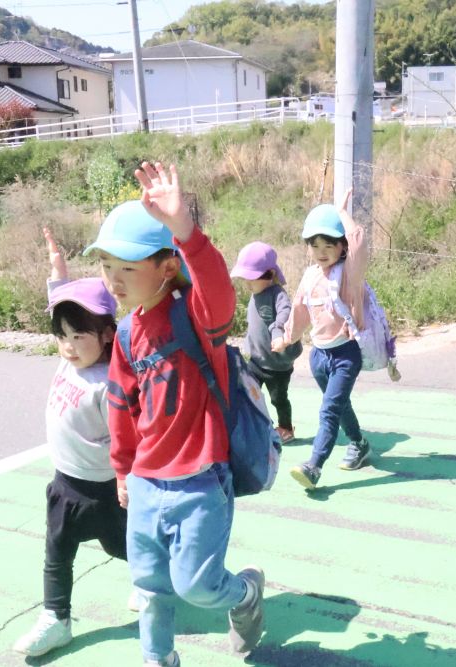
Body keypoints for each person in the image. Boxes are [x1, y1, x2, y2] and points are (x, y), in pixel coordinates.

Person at [93, 162, 266, 667]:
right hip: (147, 481)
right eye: (107, 267)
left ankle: (245, 594)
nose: (114, 281)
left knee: (198, 584)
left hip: (199, 480)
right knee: (149, 586)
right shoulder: (125, 334)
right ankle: (158, 659)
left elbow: (218, 290)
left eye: (127, 268)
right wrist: (123, 469)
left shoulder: (195, 315)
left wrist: (184, 231)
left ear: (166, 268)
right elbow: (122, 408)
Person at [12, 229, 125, 657]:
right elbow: (67, 304)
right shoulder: (71, 360)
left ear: (107, 335)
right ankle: (55, 619)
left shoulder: (109, 382)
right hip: (65, 484)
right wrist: (58, 272)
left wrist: (126, 481)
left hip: (106, 493)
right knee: (57, 554)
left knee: (124, 548)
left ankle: (159, 579)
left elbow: (124, 442)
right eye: (62, 336)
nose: (69, 346)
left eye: (80, 337)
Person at [275, 189, 370, 490]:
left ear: (341, 246)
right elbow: (299, 310)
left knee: (329, 410)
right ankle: (359, 442)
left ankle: (313, 466)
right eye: (315, 245)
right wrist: (287, 338)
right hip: (319, 357)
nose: (322, 250)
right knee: (339, 406)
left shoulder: (348, 273)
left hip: (345, 354)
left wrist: (342, 212)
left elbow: (358, 241)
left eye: (329, 244)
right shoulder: (309, 276)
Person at [230, 241, 303, 444]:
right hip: (255, 361)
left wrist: (278, 332)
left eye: (251, 279)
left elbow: (285, 313)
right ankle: (260, 426)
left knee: (278, 399)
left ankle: (286, 428)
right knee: (249, 394)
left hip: (276, 366)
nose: (247, 284)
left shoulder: (277, 294)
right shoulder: (256, 294)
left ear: (270, 275)